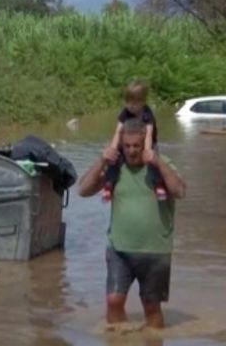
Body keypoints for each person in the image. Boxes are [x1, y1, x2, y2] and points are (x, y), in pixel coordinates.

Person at [78, 117, 186, 329]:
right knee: (113, 301)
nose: (132, 151)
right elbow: (83, 190)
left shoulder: (161, 165)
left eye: (137, 146)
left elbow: (180, 191)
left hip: (155, 251)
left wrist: (157, 162)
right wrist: (102, 160)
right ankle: (119, 344)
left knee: (151, 307)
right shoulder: (114, 169)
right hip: (119, 249)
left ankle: (153, 345)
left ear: (146, 143)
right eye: (127, 146)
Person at [102, 80, 165, 202]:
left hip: (148, 141)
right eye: (127, 102)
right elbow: (118, 132)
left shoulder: (147, 114)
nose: (130, 106)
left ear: (143, 102)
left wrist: (147, 150)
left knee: (154, 159)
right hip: (129, 141)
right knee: (114, 159)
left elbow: (149, 134)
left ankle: (158, 183)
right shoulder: (125, 113)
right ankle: (109, 184)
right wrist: (113, 149)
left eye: (134, 103)